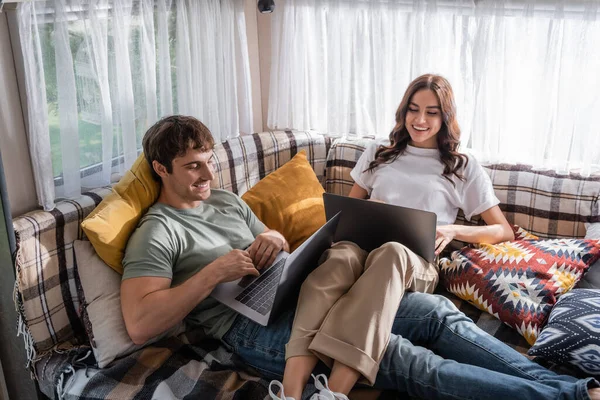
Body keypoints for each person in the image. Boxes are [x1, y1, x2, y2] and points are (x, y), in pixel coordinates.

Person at [121, 113, 600, 400]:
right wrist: (212, 274)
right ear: (161, 169)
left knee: (435, 313)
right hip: (254, 329)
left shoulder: (223, 201)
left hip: (295, 291)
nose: (208, 173)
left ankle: (573, 387)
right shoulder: (157, 231)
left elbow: (271, 238)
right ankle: (566, 396)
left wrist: (275, 242)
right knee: (403, 358)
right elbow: (141, 322)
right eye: (193, 166)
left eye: (209, 159)